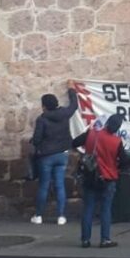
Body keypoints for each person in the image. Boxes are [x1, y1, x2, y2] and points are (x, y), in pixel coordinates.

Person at [72, 113, 128, 248]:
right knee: (106, 209)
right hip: (108, 177)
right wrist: (116, 166)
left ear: (107, 122)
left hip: (90, 176)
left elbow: (74, 143)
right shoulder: (116, 142)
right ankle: (105, 239)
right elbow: (125, 161)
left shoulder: (91, 134)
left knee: (88, 208)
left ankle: (85, 239)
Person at [30, 84, 80, 226]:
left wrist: (35, 143)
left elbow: (37, 139)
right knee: (60, 185)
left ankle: (39, 215)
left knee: (44, 185)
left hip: (46, 155)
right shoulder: (64, 114)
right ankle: (61, 216)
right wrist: (71, 90)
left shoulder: (42, 119)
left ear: (44, 106)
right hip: (62, 154)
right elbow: (74, 105)